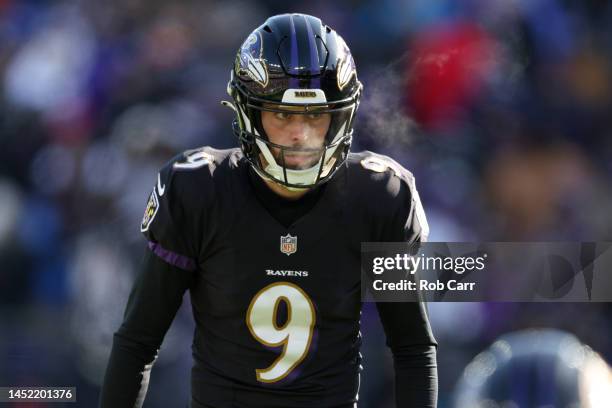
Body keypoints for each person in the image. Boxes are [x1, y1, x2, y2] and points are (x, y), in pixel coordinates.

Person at [99, 13, 437, 408]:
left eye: (314, 115)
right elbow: (139, 342)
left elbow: (413, 349)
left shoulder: (379, 196)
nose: (300, 133)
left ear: (340, 116)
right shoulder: (197, 190)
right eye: (281, 114)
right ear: (248, 112)